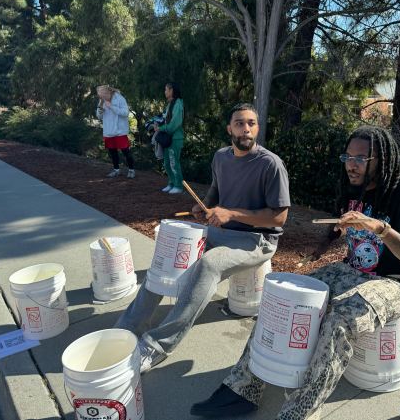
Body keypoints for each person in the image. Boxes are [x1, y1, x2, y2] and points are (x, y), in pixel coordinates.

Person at [191, 125, 400, 420]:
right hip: (353, 270)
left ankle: (299, 412)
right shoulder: (352, 190)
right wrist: (321, 249)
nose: (351, 165)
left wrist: (379, 227)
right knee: (284, 295)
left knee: (340, 316)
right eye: (348, 157)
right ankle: (242, 389)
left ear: (382, 160)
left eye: (360, 159)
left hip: (395, 282)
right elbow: (338, 226)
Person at [115, 103, 291, 372]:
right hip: (221, 231)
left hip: (257, 240)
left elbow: (278, 219)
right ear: (229, 128)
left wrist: (230, 214)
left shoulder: (270, 164)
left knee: (209, 263)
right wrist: (204, 207)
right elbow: (215, 193)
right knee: (172, 248)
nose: (246, 128)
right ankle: (127, 328)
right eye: (240, 123)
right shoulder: (221, 157)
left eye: (252, 123)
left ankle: (158, 346)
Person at [96, 85, 135, 179]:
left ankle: (131, 170)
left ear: (107, 92)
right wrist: (100, 111)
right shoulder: (102, 101)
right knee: (112, 152)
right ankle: (116, 170)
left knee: (125, 151)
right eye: (100, 96)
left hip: (120, 131)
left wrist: (112, 107)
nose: (102, 98)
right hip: (108, 131)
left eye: (103, 95)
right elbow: (99, 116)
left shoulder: (120, 98)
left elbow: (125, 113)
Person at [156, 82, 185, 194]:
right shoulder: (170, 104)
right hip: (168, 138)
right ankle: (171, 183)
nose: (165, 92)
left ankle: (178, 186)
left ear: (172, 90)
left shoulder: (178, 104)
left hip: (175, 138)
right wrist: (157, 124)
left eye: (166, 89)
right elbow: (165, 119)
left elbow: (175, 123)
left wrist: (162, 128)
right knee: (167, 163)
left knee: (174, 162)